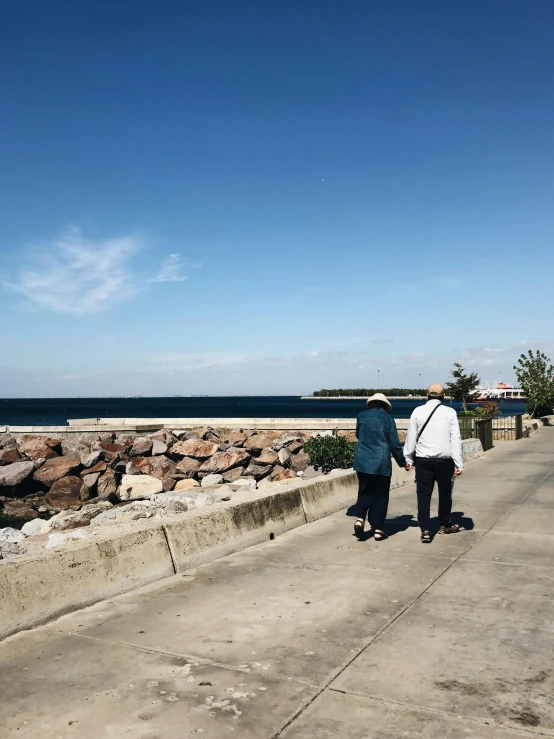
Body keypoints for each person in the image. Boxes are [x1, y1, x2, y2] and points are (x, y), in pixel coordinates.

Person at [404, 383, 463, 543]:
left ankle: (425, 530)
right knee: (445, 494)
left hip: (423, 461)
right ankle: (444, 524)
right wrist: (459, 463)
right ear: (443, 397)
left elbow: (411, 437)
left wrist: (408, 458)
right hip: (445, 462)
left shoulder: (418, 411)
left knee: (423, 495)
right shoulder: (450, 412)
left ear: (427, 395)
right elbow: (455, 439)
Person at [353, 393, 406, 541]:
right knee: (381, 496)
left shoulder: (361, 415)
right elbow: (394, 444)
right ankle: (378, 529)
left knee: (364, 491)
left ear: (371, 404)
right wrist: (402, 462)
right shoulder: (388, 419)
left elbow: (358, 435)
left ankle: (360, 519)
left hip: (362, 461)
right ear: (384, 405)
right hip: (381, 462)